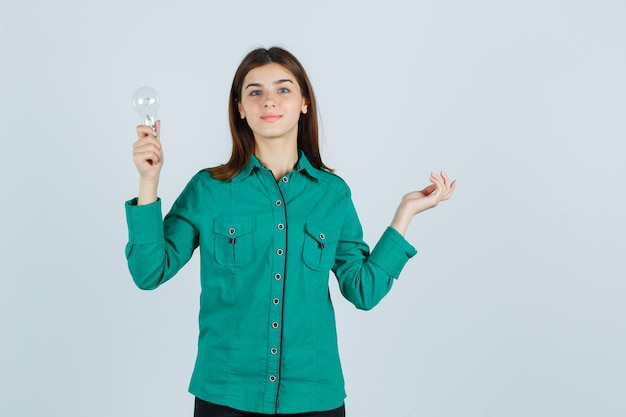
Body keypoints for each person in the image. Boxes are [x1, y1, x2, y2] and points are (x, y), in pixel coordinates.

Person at [125, 46, 456, 417]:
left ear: (304, 103)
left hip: (313, 397)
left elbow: (363, 289)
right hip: (226, 395)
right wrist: (148, 180)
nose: (269, 101)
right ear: (239, 108)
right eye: (255, 91)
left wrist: (405, 213)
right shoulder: (209, 189)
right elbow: (149, 271)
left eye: (283, 89)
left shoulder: (332, 194)